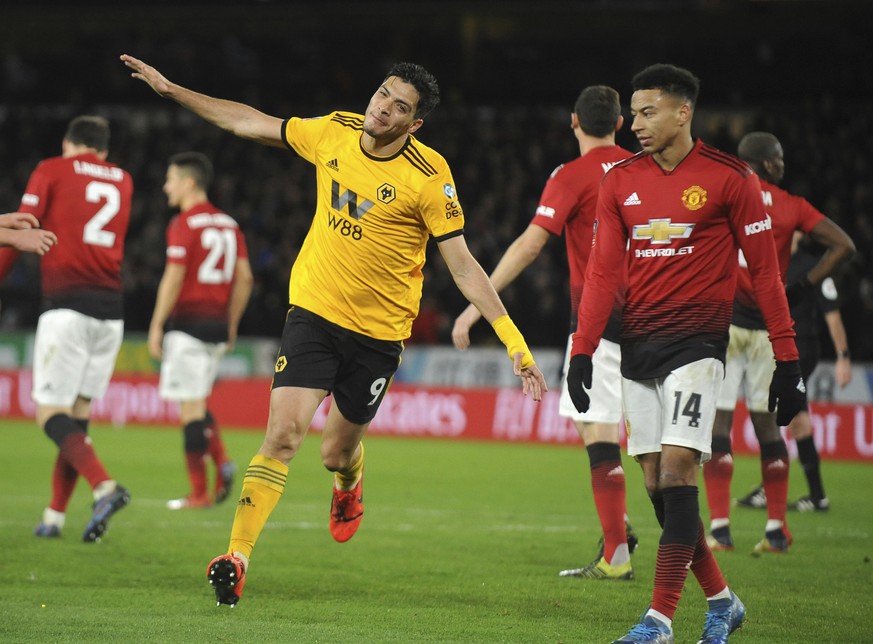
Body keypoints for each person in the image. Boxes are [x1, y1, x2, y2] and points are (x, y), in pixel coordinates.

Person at [121, 53, 548, 607]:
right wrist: (174, 89)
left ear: (415, 124)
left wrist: (515, 344)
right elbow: (247, 121)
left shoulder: (430, 177)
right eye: (382, 95)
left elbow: (463, 266)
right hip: (314, 314)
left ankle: (349, 482)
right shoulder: (333, 131)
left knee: (334, 454)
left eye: (400, 107)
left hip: (379, 335)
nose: (383, 109)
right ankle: (237, 557)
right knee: (282, 437)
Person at [566, 64, 807, 643]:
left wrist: (788, 358)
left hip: (698, 348)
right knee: (657, 486)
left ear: (683, 112)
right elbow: (601, 274)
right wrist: (582, 350)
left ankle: (659, 621)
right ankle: (723, 601)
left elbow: (769, 278)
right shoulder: (619, 180)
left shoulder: (730, 179)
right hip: (636, 349)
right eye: (634, 112)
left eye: (649, 112)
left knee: (678, 470)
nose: (639, 124)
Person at [452, 85, 638, 580]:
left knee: (597, 429)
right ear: (621, 124)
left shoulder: (571, 176)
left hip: (599, 322)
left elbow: (530, 246)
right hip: (658, 320)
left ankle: (617, 554)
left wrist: (477, 307)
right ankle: (627, 531)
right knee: (637, 438)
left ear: (574, 122)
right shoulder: (644, 170)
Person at [703, 132, 854, 554]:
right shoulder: (792, 206)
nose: (783, 164)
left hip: (725, 325)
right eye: (779, 159)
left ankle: (719, 529)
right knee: (768, 430)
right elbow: (844, 245)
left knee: (718, 427)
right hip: (771, 328)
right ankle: (775, 530)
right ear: (767, 163)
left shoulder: (723, 195)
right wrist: (805, 284)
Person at [0, 115, 133, 542]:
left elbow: (22, 228)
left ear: (67, 143)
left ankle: (104, 486)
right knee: (77, 417)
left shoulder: (53, 168)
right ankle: (55, 516)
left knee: (50, 414)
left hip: (67, 308)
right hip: (111, 311)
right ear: (104, 151)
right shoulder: (123, 179)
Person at [148, 152, 253, 510]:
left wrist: (157, 324)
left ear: (189, 183)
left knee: (190, 410)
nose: (166, 187)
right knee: (198, 403)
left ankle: (199, 494)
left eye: (171, 180)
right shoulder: (229, 224)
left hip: (188, 327)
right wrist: (233, 322)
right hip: (217, 328)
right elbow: (245, 278)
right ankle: (222, 461)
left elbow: (174, 276)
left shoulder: (184, 223)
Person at [735, 233, 853, 513]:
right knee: (789, 417)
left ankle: (807, 493)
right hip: (775, 348)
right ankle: (799, 492)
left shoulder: (816, 266)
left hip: (801, 349)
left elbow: (832, 314)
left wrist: (843, 356)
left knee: (790, 416)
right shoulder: (771, 260)